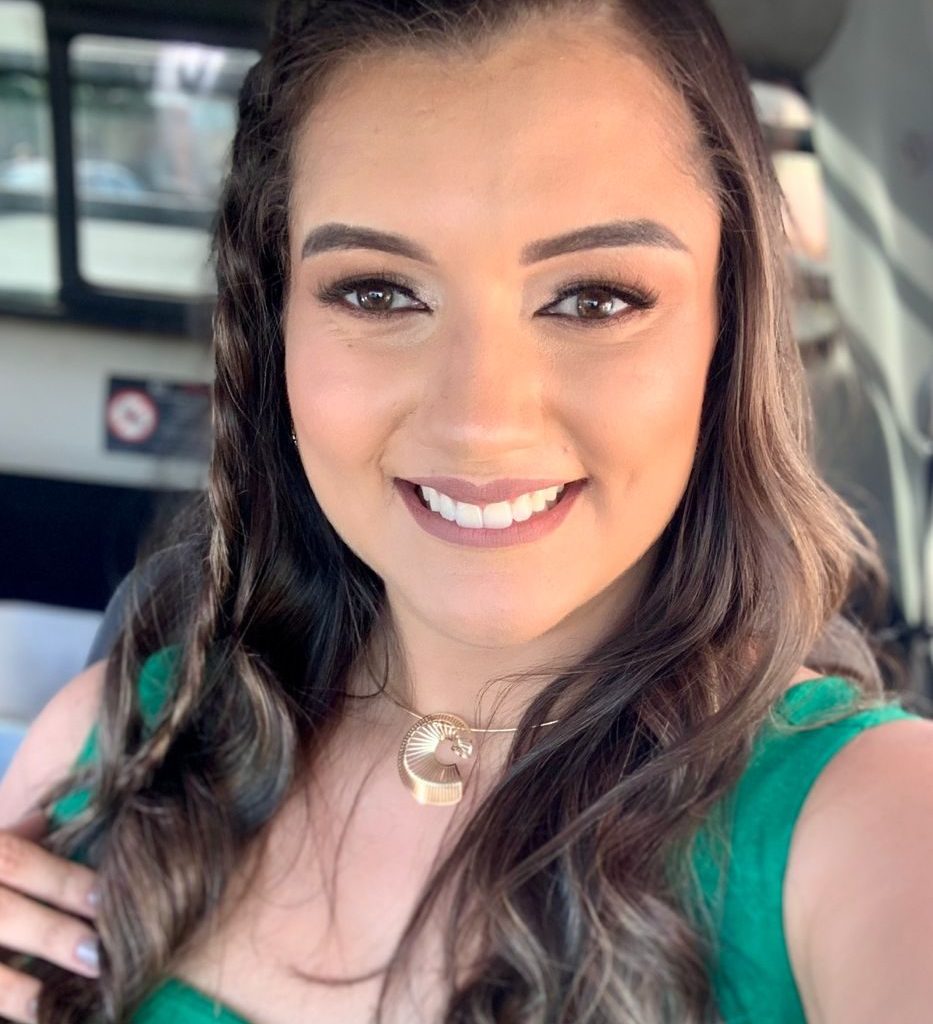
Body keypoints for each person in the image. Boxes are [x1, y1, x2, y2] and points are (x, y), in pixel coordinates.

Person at [0, 1, 931, 1022]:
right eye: (377, 293)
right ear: (274, 325)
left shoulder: (877, 823)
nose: (479, 422)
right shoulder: (113, 746)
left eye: (595, 298)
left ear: (728, 328)